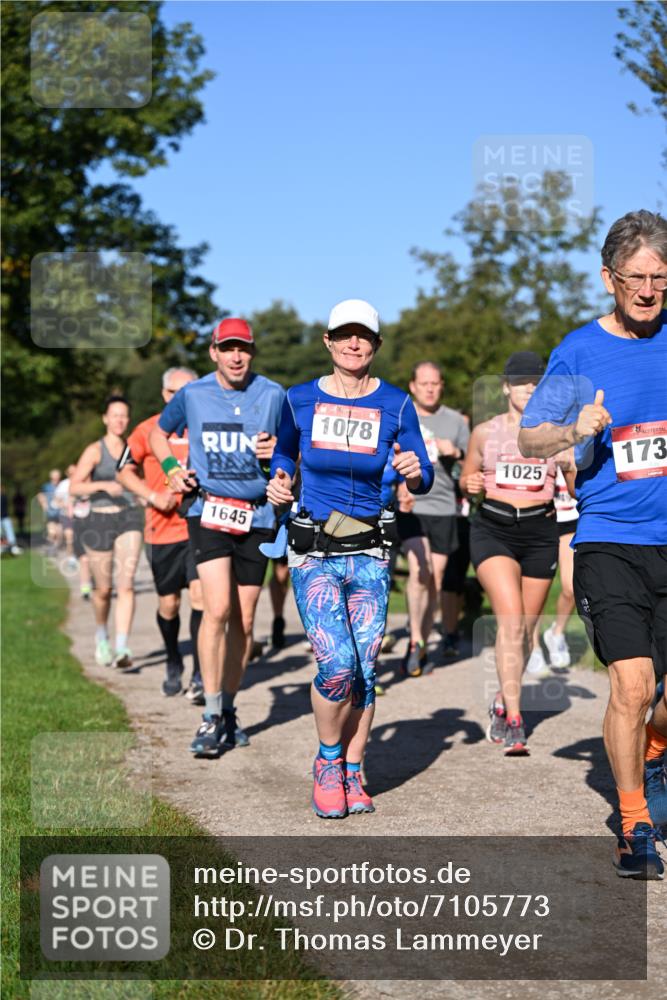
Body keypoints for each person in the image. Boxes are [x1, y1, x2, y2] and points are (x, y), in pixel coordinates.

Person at [518, 209, 667, 879]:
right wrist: (572, 426)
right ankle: (633, 823)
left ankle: (655, 746)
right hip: (609, 540)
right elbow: (529, 438)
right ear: (608, 279)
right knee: (632, 685)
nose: (646, 290)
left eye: (658, 277)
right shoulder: (579, 351)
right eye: (634, 277)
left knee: (659, 700)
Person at [266, 298, 433, 819]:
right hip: (314, 549)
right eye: (345, 335)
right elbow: (282, 454)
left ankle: (355, 771)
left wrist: (412, 469)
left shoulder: (398, 405)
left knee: (364, 669)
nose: (354, 343)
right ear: (329, 342)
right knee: (336, 666)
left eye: (364, 336)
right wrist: (279, 479)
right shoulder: (298, 400)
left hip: (370, 552)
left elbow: (423, 475)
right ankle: (327, 761)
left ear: (377, 345)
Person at [150, 318, 285, 757]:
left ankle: (228, 708)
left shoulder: (273, 394)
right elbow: (157, 434)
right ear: (213, 352)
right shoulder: (193, 394)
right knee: (218, 608)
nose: (236, 356)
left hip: (259, 515)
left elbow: (294, 447)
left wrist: (278, 453)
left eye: (243, 348)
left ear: (252, 351)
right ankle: (209, 714)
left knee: (245, 619)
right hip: (208, 509)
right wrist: (172, 471)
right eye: (227, 348)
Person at [460, 351, 561, 757]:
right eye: (522, 383)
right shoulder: (485, 432)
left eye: (537, 383)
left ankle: (503, 699)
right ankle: (516, 718)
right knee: (511, 619)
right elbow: (468, 476)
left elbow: (575, 480)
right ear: (506, 388)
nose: (530, 390)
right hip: (494, 529)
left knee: (526, 634)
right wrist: (469, 483)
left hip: (540, 531)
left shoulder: (556, 434)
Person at [117, 367, 205, 701]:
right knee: (169, 604)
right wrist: (152, 496)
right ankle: (173, 660)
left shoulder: (207, 425)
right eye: (173, 393)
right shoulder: (146, 430)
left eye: (188, 392)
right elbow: (123, 471)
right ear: (164, 395)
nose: (181, 399)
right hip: (161, 529)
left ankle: (200, 672)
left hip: (199, 525)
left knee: (201, 599)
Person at [396, 362, 470, 676]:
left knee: (435, 580)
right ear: (413, 385)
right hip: (412, 507)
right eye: (423, 383)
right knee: (419, 573)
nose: (429, 388)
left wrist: (456, 453)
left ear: (442, 386)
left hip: (443, 509)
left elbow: (471, 468)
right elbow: (386, 456)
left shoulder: (456, 421)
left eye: (435, 383)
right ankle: (415, 642)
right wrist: (398, 484)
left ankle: (422, 642)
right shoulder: (400, 415)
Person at [70, 396, 144, 669]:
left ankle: (122, 646)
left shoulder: (134, 448)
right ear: (105, 418)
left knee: (126, 584)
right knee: (103, 589)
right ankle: (102, 635)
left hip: (128, 518)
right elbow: (74, 487)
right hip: (98, 520)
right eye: (115, 415)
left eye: (124, 416)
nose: (120, 421)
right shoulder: (95, 450)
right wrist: (102, 487)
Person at [38, 469, 63, 552]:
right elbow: (40, 495)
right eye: (54, 477)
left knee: (59, 533)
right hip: (51, 512)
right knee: (52, 532)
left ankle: (55, 547)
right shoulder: (46, 486)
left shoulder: (62, 485)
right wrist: (43, 504)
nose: (56, 478)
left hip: (61, 512)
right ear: (51, 477)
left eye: (57, 477)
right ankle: (52, 548)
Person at [1, 485, 22, 555]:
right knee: (1, 534)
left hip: (5, 517)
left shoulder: (3, 497)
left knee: (9, 532)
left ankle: (13, 547)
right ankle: (2, 547)